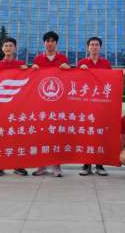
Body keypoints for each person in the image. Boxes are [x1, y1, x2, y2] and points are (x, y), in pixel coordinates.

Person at [31, 31, 70, 177]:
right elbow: (33, 80)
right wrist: (33, 70)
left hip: (58, 104)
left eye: (53, 41)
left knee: (57, 134)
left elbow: (69, 79)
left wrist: (68, 69)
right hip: (41, 103)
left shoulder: (63, 58)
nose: (50, 43)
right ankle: (41, 166)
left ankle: (56, 166)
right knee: (41, 134)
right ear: (44, 43)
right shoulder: (38, 59)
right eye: (47, 41)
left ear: (56, 43)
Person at [0, 37, 28, 177]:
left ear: (15, 48)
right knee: (0, 135)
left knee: (17, 136)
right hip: (0, 107)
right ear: (2, 48)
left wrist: (28, 70)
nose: (8, 48)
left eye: (10, 45)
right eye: (6, 45)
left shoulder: (21, 65)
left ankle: (18, 165)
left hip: (17, 107)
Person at [77, 36, 112, 176]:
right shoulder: (82, 62)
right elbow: (76, 81)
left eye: (97, 44)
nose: (94, 47)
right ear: (88, 47)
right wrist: (80, 70)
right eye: (92, 44)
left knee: (99, 133)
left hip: (101, 105)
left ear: (100, 47)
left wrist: (120, 74)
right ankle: (86, 164)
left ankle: (99, 164)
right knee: (86, 133)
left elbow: (110, 81)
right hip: (86, 104)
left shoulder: (106, 63)